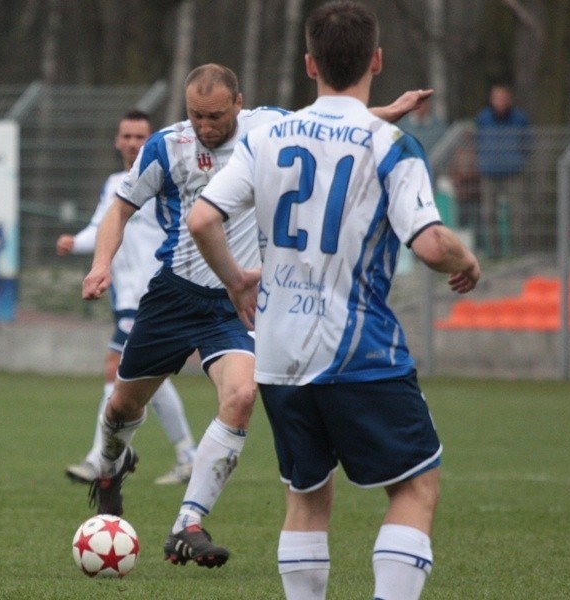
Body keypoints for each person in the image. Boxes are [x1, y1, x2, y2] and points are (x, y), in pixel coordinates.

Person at [81, 63, 431, 568]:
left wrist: (386, 111)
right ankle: (112, 469)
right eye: (196, 115)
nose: (205, 126)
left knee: (242, 395)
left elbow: (327, 128)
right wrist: (100, 265)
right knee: (122, 408)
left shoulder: (267, 127)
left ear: (239, 104)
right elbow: (120, 207)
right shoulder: (167, 145)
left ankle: (188, 525)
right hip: (173, 297)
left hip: (233, 301)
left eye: (216, 115)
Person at [187, 1, 480, 598]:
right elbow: (428, 245)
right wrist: (465, 258)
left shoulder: (266, 138)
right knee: (416, 485)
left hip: (276, 352)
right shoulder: (391, 144)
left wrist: (238, 280)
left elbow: (201, 219)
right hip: (357, 347)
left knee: (306, 496)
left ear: (309, 63)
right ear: (376, 59)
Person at [56, 110, 197, 486]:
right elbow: (102, 225)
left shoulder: (162, 177)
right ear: (118, 141)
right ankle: (188, 455)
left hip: (151, 292)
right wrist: (76, 243)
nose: (133, 143)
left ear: (150, 141)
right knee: (150, 377)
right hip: (125, 295)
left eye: (140, 137)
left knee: (114, 364)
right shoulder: (115, 183)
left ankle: (98, 459)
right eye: (127, 136)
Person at [474, 81, 531, 258]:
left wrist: (517, 160)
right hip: (489, 172)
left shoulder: (520, 119)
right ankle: (493, 252)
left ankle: (518, 252)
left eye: (504, 97)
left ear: (510, 99)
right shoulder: (483, 119)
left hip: (513, 172)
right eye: (497, 97)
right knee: (488, 213)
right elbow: (476, 142)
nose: (501, 101)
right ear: (491, 99)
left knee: (518, 213)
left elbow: (527, 144)